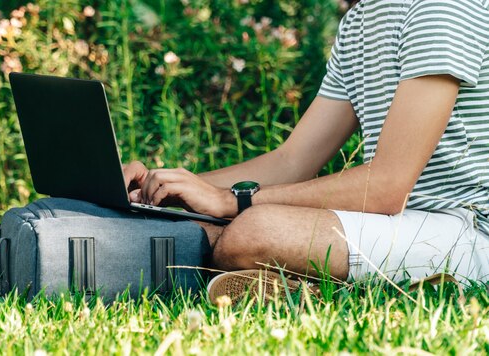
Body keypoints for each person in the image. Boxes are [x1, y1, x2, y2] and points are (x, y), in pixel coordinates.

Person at [123, 0, 489, 299]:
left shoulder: (441, 9)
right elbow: (293, 160)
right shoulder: (362, 19)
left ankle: (315, 290)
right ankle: (302, 285)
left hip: (470, 230)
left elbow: (388, 187)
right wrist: (168, 187)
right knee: (205, 227)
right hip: (400, 223)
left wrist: (231, 201)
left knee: (254, 231)